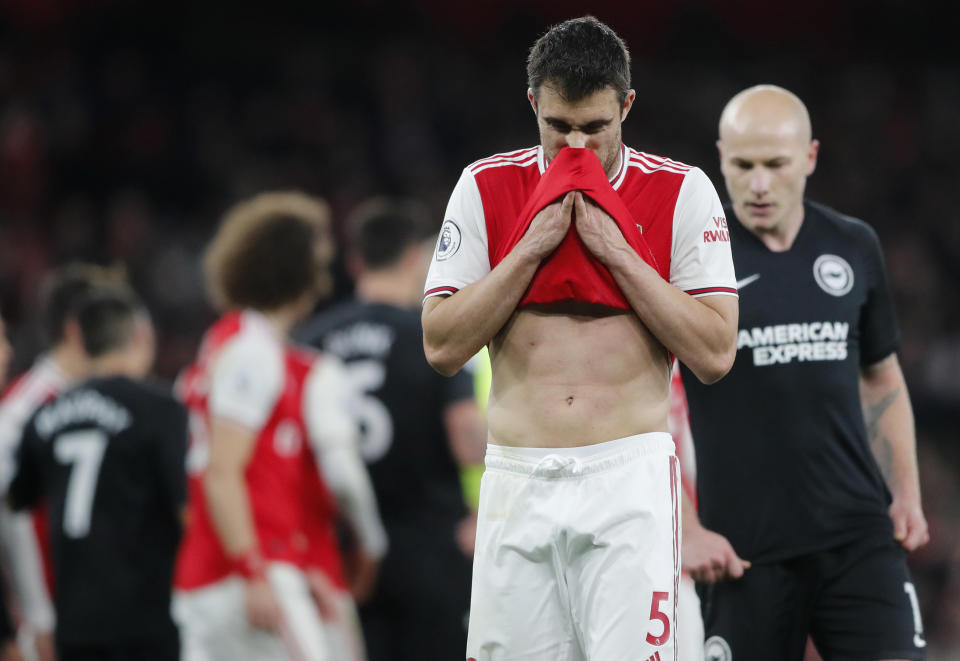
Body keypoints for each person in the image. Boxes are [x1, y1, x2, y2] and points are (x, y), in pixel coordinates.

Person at [421, 16, 739, 660]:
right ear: (533, 102)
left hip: (628, 483)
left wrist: (620, 256)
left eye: (595, 127)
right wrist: (528, 250)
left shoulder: (682, 191)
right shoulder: (485, 186)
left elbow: (714, 353)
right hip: (516, 480)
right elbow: (442, 346)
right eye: (558, 126)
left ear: (626, 106)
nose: (576, 146)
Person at [680, 84, 929, 661]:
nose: (759, 183)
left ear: (810, 158)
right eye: (743, 165)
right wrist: (685, 528)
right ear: (721, 157)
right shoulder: (690, 263)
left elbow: (880, 375)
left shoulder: (852, 245)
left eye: (776, 164)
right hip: (743, 554)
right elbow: (646, 405)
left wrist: (907, 493)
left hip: (859, 538)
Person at [173, 191, 387, 661]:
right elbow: (223, 471)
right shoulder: (254, 351)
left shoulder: (225, 342)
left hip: (217, 573)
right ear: (296, 266)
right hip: (248, 574)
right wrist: (252, 570)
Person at [297, 198, 486, 661]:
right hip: (430, 546)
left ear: (355, 262)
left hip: (341, 550)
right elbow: (466, 441)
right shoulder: (431, 338)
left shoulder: (308, 342)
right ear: (414, 259)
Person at [8, 287, 187, 661]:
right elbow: (185, 509)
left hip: (73, 620)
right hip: (146, 616)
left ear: (79, 340)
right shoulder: (160, 409)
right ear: (141, 335)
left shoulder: (43, 417)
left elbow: (17, 502)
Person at [0, 263, 126, 661]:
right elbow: (11, 516)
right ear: (77, 327)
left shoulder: (103, 401)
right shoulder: (24, 409)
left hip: (96, 606)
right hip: (52, 616)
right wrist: (38, 614)